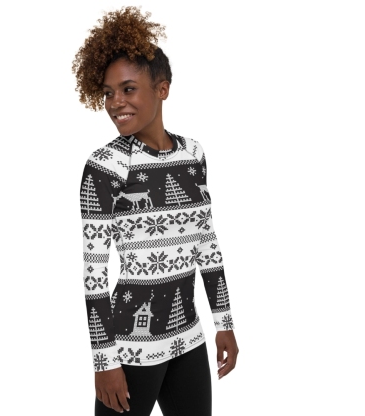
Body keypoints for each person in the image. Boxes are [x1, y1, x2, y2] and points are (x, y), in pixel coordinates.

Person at [72, 6, 239, 415]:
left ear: (162, 89)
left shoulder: (193, 154)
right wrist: (104, 361)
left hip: (188, 338)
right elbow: (95, 273)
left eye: (128, 89)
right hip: (132, 345)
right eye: (108, 92)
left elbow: (207, 245)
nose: (115, 102)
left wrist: (224, 323)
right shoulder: (104, 167)